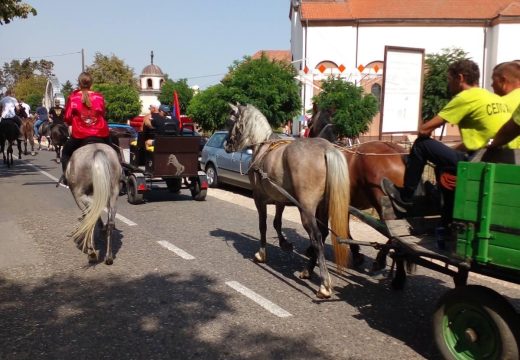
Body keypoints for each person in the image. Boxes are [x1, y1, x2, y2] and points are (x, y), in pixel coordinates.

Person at [382, 59, 514, 213]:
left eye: (449, 80)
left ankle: (406, 196)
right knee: (441, 156)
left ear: (460, 78)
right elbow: (476, 140)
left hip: (475, 162)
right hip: (491, 158)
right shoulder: (490, 97)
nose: (448, 84)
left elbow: (425, 129)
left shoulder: (465, 97)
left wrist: (426, 134)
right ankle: (438, 199)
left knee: (421, 144)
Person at [59, 72, 110, 185]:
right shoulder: (99, 96)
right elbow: (103, 113)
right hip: (100, 132)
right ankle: (120, 174)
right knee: (114, 150)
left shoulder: (73, 97)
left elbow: (67, 117)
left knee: (65, 153)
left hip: (80, 134)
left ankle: (66, 178)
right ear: (91, 83)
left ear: (79, 83)